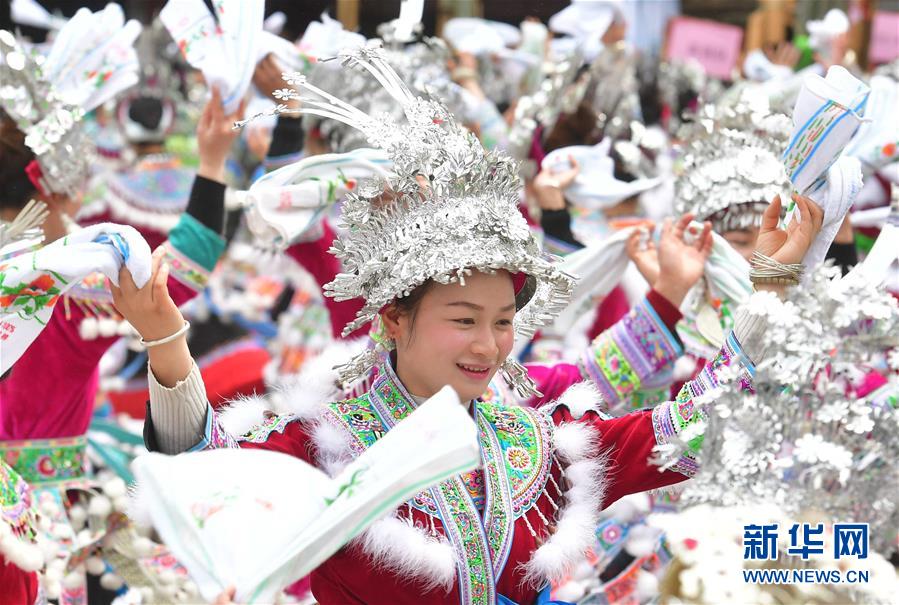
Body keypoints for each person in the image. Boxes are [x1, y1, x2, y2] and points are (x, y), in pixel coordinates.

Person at [114, 50, 825, 605]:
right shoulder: (323, 441)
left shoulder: (537, 442)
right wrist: (167, 342)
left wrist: (766, 288)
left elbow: (690, 427)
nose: (488, 345)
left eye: (504, 321)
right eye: (462, 319)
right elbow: (202, 474)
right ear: (393, 317)